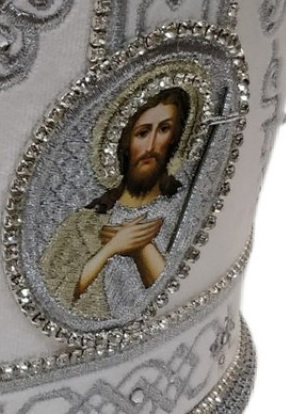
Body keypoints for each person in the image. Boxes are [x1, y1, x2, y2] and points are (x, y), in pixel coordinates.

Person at [41, 87, 190, 319]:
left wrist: (142, 248)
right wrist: (110, 249)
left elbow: (181, 300)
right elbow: (53, 294)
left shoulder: (185, 207)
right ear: (125, 142)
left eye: (163, 129)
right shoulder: (85, 224)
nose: (151, 146)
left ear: (174, 137)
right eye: (142, 133)